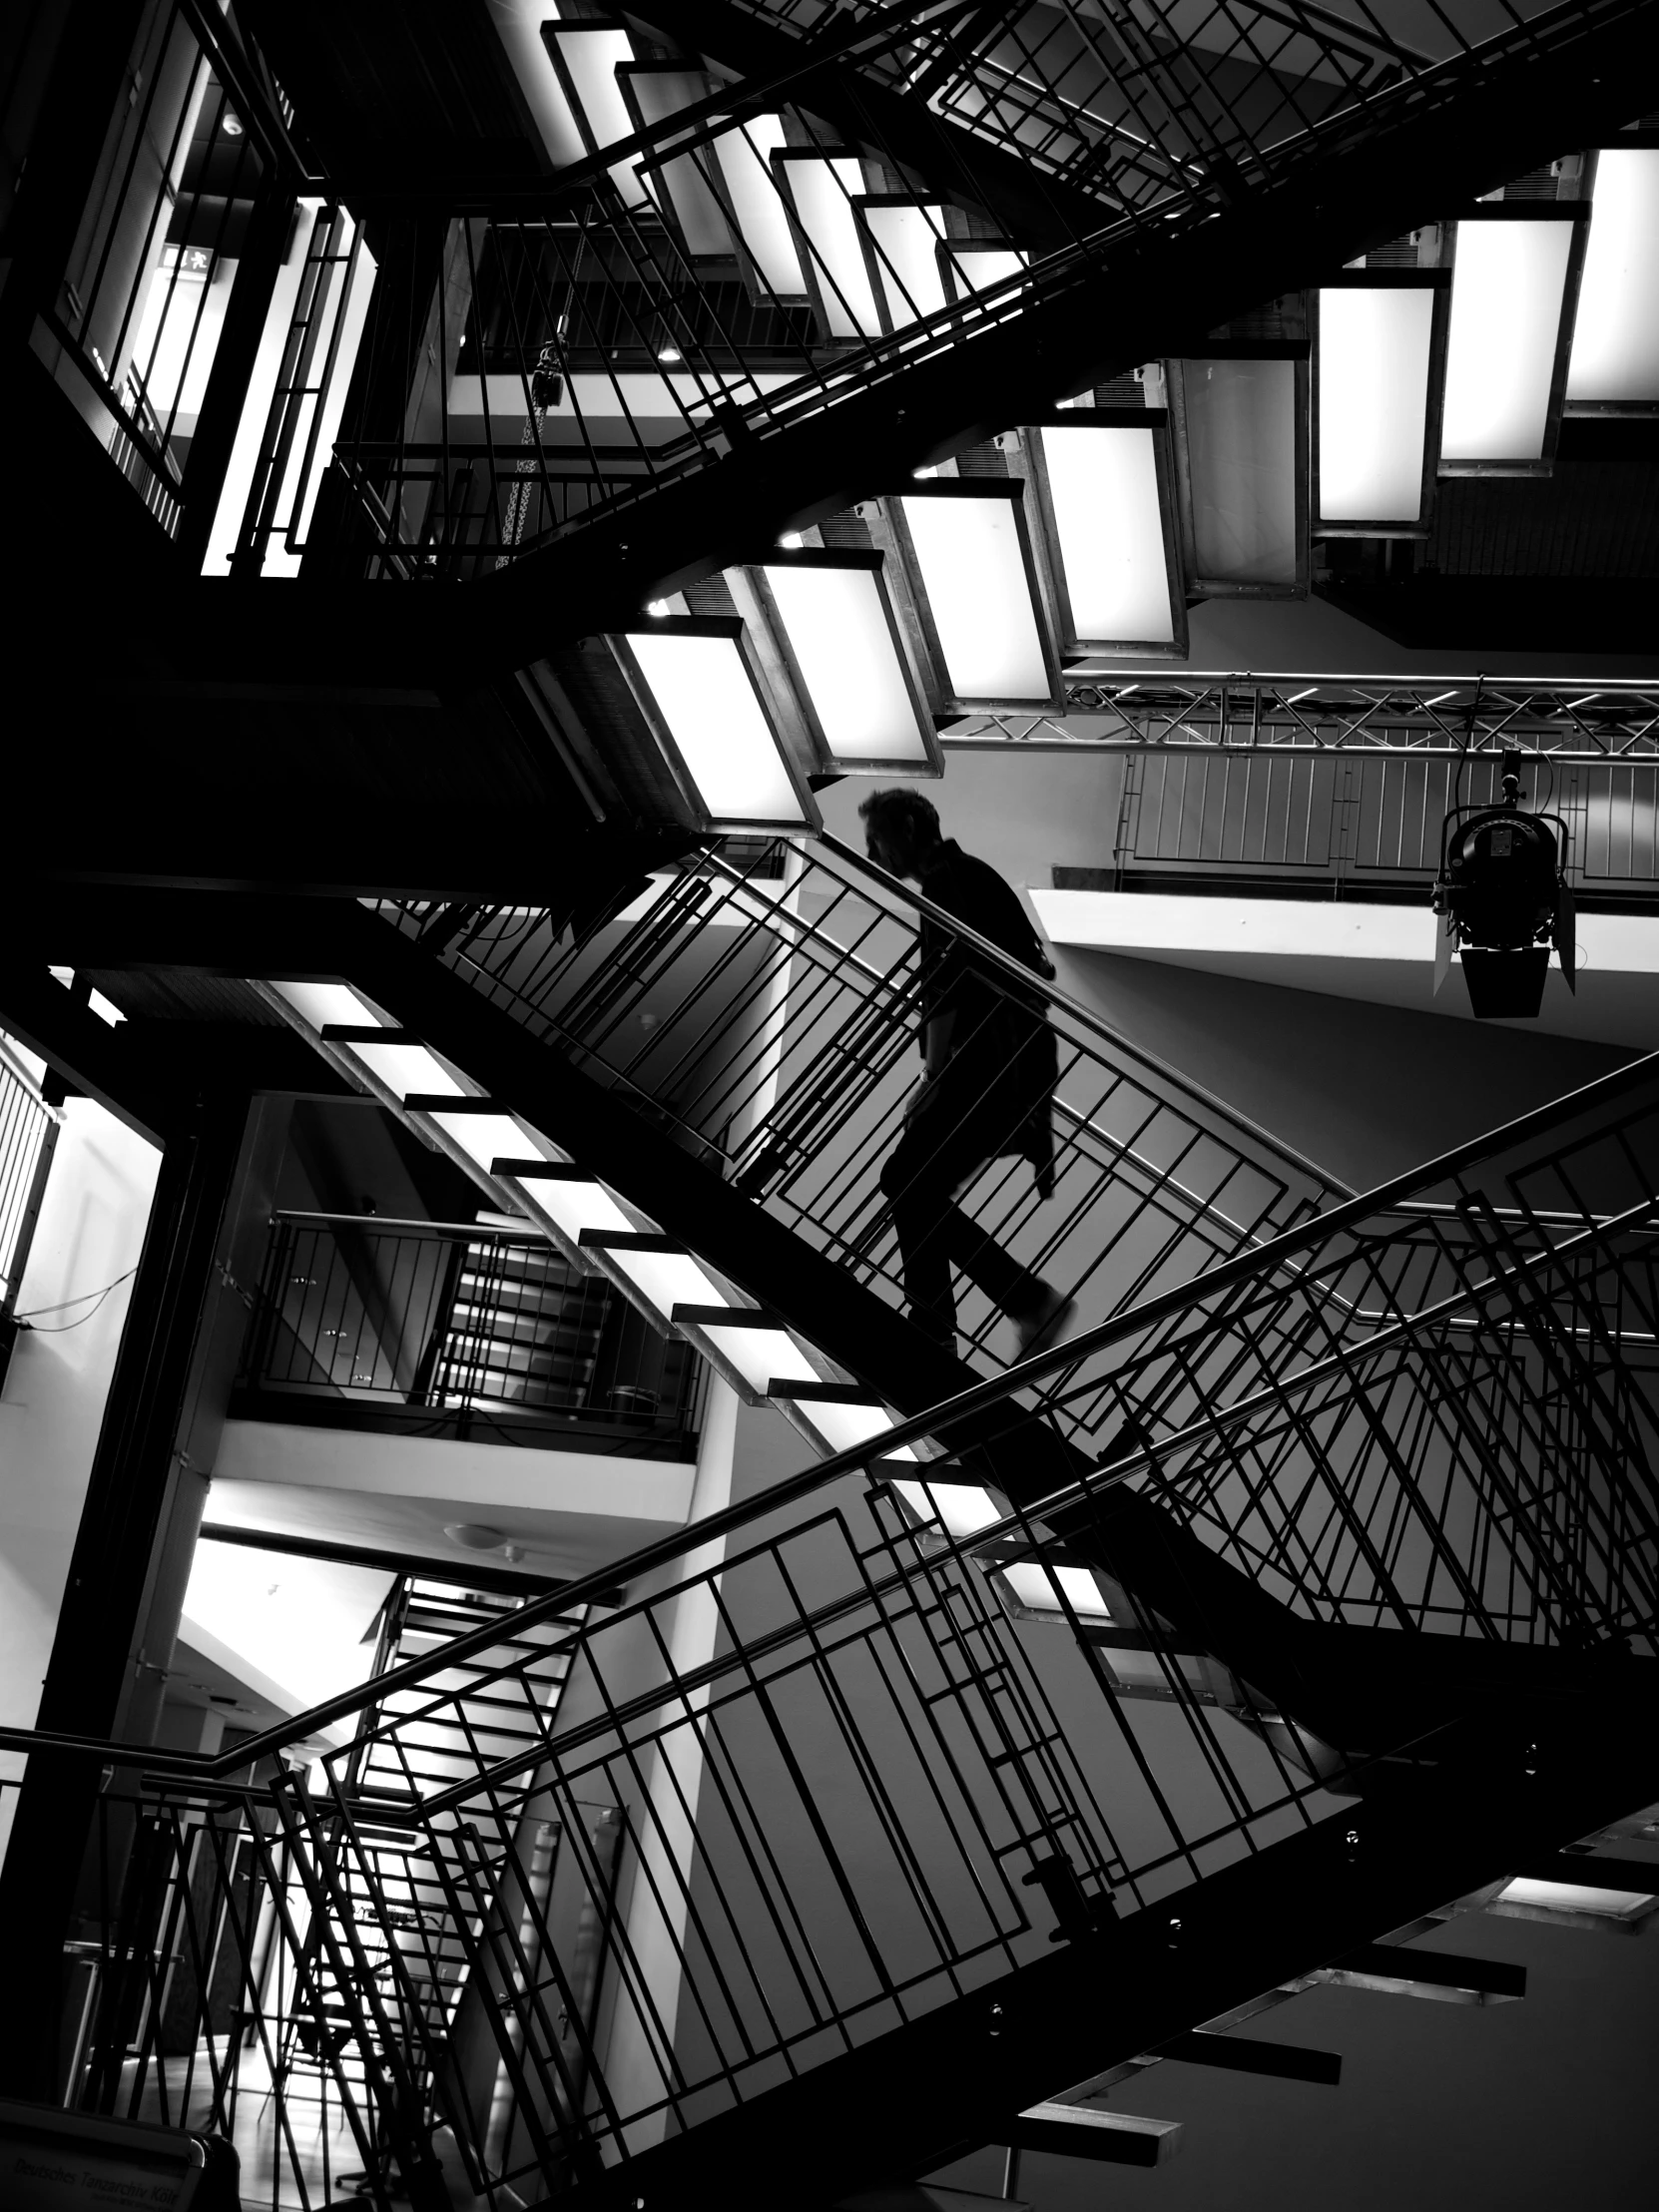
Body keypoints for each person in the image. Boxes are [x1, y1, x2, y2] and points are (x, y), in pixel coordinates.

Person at [860, 788, 1076, 1358]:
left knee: (907, 1180)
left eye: (878, 840)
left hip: (991, 1062)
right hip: (1012, 1060)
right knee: (911, 1183)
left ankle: (991, 1310)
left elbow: (946, 984)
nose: (876, 855)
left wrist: (931, 1077)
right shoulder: (973, 874)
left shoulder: (947, 881)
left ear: (908, 827)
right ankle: (977, 1313)